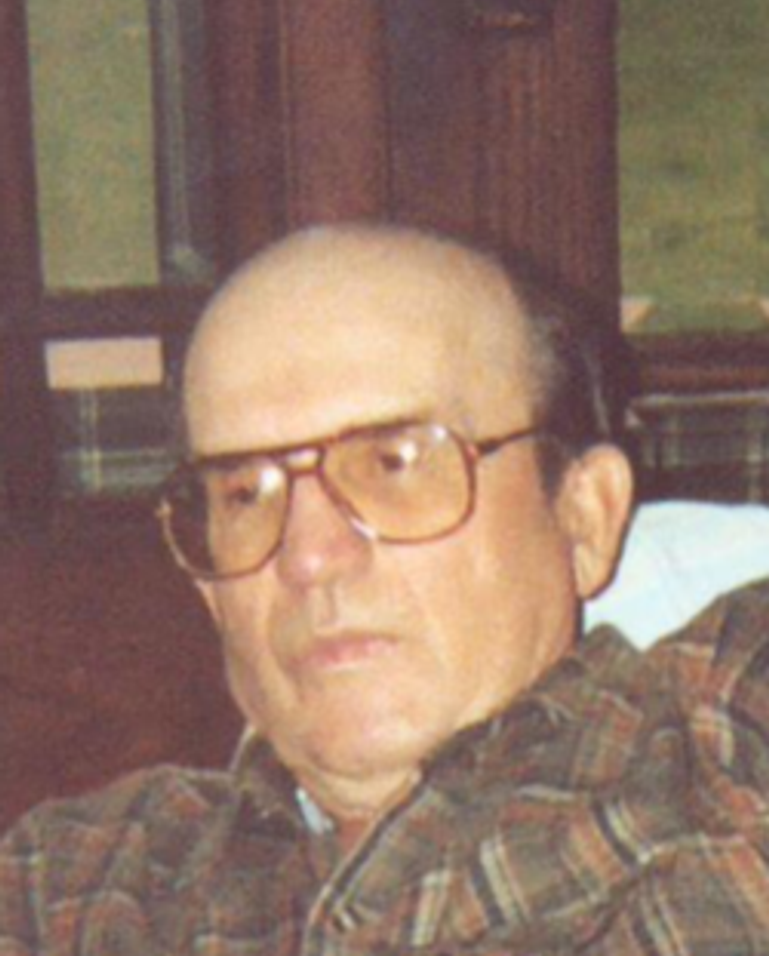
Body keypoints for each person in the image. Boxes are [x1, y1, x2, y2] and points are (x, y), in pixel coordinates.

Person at [2, 224, 769, 954]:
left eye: (394, 463)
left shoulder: (719, 745)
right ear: (211, 592)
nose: (308, 556)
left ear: (584, 517)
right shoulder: (76, 884)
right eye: (243, 494)